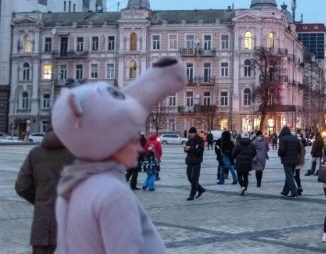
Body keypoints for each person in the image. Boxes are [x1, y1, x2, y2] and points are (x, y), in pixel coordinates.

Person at [53, 57, 186, 253]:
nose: (140, 148)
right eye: (132, 139)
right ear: (111, 141)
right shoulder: (114, 195)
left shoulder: (70, 186)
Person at [15, 129, 75, 254]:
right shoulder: (78, 155)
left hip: (42, 227)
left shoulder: (35, 153)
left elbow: (21, 186)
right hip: (72, 225)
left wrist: (40, 200)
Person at [278, 126, 302, 198]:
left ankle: (294, 192)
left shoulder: (283, 139)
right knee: (289, 175)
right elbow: (299, 149)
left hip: (286, 160)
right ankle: (285, 192)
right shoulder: (295, 138)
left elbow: (281, 150)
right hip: (294, 160)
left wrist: (280, 154)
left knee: (289, 176)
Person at [185, 127, 206, 201]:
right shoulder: (189, 140)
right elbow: (187, 149)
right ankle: (200, 189)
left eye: (191, 133)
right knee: (189, 177)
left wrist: (190, 148)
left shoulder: (199, 140)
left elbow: (200, 150)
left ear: (194, 133)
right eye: (190, 133)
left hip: (197, 161)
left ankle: (192, 195)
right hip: (189, 161)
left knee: (194, 178)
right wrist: (185, 149)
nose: (190, 134)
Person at [295, 129, 306, 195]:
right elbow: (304, 152)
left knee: (295, 175)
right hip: (300, 161)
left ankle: (299, 188)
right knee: (296, 175)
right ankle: (299, 187)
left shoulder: (297, 144)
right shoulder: (301, 143)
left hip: (297, 161)